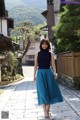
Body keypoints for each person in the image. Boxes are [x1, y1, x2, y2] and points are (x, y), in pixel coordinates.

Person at [34, 39, 63, 118]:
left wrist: (55, 72)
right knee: (42, 92)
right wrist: (34, 76)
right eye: (43, 44)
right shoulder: (37, 53)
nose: (44, 45)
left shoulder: (51, 54)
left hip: (49, 73)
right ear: (41, 45)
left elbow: (53, 64)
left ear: (48, 45)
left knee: (49, 91)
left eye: (46, 44)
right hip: (40, 73)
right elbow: (36, 65)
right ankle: (45, 111)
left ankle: (47, 110)